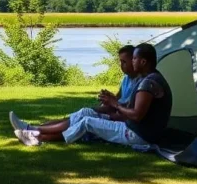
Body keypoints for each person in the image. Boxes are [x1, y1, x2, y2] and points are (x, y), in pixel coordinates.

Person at [10, 43, 172, 148]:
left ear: (143, 62)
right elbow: (132, 111)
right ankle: (35, 133)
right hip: (134, 130)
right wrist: (111, 104)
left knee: (86, 122)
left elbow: (136, 115)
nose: (132, 62)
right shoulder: (148, 79)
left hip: (137, 135)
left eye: (135, 59)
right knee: (86, 118)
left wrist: (115, 104)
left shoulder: (148, 83)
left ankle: (36, 136)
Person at [9, 44, 137, 135]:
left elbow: (124, 107)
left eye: (124, 62)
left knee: (82, 115)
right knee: (74, 117)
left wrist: (111, 103)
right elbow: (118, 99)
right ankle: (33, 128)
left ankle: (32, 129)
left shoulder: (140, 83)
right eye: (120, 62)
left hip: (118, 118)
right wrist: (108, 97)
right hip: (114, 112)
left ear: (134, 61)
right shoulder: (126, 78)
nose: (121, 66)